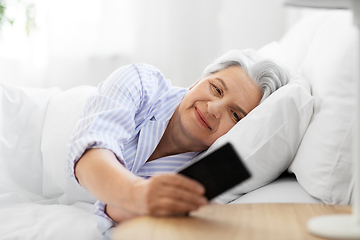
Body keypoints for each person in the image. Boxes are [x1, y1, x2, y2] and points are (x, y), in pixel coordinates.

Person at [66, 49, 289, 225]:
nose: (214, 108)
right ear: (197, 82)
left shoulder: (212, 167)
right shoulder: (141, 81)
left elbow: (115, 210)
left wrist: (142, 201)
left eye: (234, 114)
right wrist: (137, 193)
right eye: (216, 89)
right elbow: (90, 154)